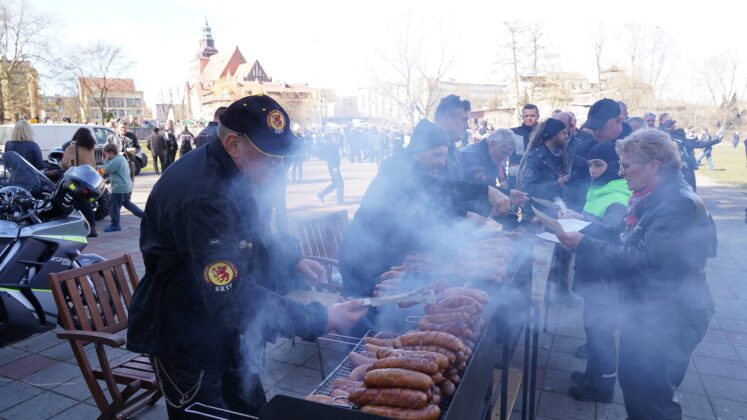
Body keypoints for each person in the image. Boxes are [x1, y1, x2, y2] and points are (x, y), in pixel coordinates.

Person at [126, 95, 369, 418]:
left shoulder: (235, 174)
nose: (280, 165)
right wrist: (322, 318)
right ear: (233, 144)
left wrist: (291, 258)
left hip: (226, 330)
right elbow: (233, 297)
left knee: (252, 411)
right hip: (187, 337)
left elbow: (253, 234)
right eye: (271, 156)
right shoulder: (202, 196)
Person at [557, 129, 716, 420]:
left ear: (654, 165)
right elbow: (625, 237)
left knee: (652, 399)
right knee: (634, 387)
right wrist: (586, 226)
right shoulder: (653, 195)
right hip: (648, 311)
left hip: (671, 317)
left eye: (627, 166)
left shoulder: (677, 204)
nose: (621, 172)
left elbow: (647, 258)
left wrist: (585, 245)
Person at [339, 119, 514, 335]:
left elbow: (432, 206)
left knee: (379, 319)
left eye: (444, 155)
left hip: (384, 257)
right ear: (417, 152)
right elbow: (438, 189)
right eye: (437, 155)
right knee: (360, 321)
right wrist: (486, 191)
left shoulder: (416, 171)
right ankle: (353, 359)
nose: (442, 162)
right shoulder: (397, 173)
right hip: (361, 259)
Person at [557, 142, 631, 403]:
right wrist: (578, 215)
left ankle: (602, 388)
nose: (592, 170)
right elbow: (595, 220)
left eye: (598, 164)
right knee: (592, 327)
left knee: (601, 331)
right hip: (594, 269)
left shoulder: (617, 195)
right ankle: (593, 375)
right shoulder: (602, 189)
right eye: (590, 164)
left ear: (613, 166)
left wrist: (579, 228)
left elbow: (610, 232)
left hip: (606, 274)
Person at [564, 99, 631, 212]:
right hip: (583, 215)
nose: (595, 133)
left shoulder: (638, 149)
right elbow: (573, 185)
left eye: (600, 127)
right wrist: (569, 209)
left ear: (618, 120)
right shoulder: (582, 150)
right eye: (593, 128)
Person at [517, 118, 569, 201]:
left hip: (558, 209)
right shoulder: (535, 158)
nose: (567, 136)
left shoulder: (564, 154)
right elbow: (527, 190)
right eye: (564, 133)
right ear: (553, 135)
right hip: (537, 211)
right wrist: (557, 184)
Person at [61, 128, 98, 237]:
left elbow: (64, 164)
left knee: (72, 202)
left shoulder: (72, 147)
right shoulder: (91, 148)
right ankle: (92, 226)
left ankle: (76, 228)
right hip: (89, 179)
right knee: (86, 203)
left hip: (76, 179)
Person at [101, 143, 144, 232]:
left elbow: (105, 170)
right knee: (127, 204)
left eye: (106, 154)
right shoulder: (121, 159)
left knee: (113, 206)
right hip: (126, 187)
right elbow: (119, 173)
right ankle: (144, 216)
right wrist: (109, 179)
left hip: (119, 189)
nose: (106, 156)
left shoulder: (116, 160)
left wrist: (104, 161)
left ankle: (115, 225)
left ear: (111, 152)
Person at [434, 94, 471, 181]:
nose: (467, 126)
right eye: (463, 120)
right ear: (446, 118)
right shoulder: (430, 153)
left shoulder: (456, 153)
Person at [509, 104, 540, 187]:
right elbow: (500, 157)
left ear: (538, 116)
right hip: (515, 179)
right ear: (522, 117)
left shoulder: (544, 134)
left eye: (532, 115)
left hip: (538, 178)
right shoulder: (512, 133)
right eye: (526, 116)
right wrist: (502, 179)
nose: (529, 118)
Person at [317, 132, 344, 205]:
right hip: (333, 166)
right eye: (336, 137)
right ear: (332, 137)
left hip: (333, 166)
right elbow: (330, 157)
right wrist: (334, 167)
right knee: (340, 184)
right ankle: (340, 201)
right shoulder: (331, 145)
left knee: (336, 183)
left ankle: (321, 194)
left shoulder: (332, 144)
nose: (338, 139)